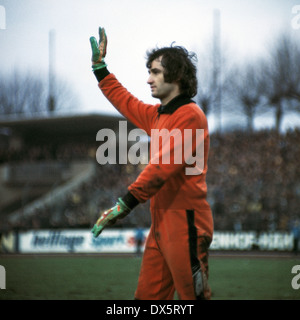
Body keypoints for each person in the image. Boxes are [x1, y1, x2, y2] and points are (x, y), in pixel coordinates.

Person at [90, 27, 213, 300]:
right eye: (149, 72)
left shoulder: (191, 115)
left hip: (186, 225)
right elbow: (125, 100)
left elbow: (162, 167)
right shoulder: (157, 116)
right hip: (160, 226)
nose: (148, 79)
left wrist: (126, 202)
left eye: (155, 72)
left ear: (177, 75)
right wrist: (100, 68)